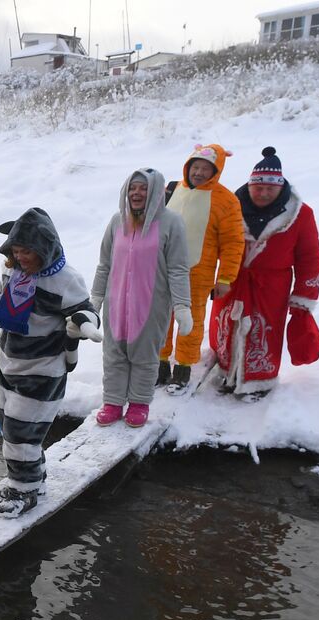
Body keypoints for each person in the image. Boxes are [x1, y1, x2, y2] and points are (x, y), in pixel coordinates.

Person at [0, 208, 100, 518]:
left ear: (44, 247)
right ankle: (33, 478)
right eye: (16, 249)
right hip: (10, 362)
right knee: (9, 426)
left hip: (42, 369)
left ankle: (23, 491)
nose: (21, 256)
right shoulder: (12, 270)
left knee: (20, 433)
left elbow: (84, 310)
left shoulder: (65, 280)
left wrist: (85, 325)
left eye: (28, 250)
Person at [209, 147, 319, 399]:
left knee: (264, 333)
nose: (262, 193)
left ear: (280, 187)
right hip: (230, 280)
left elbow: (310, 258)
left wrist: (303, 297)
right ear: (249, 185)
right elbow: (207, 243)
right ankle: (225, 374)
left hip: (272, 287)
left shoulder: (300, 214)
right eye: (257, 187)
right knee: (225, 327)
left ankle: (258, 383)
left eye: (269, 189)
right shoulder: (229, 206)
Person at [90, 168, 193, 427]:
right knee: (113, 355)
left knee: (145, 357)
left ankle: (138, 403)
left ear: (156, 191)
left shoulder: (171, 223)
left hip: (151, 304)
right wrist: (96, 299)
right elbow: (104, 264)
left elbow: (178, 268)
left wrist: (182, 305)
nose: (137, 193)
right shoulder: (117, 222)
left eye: (143, 188)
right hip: (116, 304)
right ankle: (112, 402)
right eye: (133, 188)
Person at [159, 143, 245, 394]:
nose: (198, 172)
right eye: (195, 167)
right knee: (161, 317)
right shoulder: (172, 190)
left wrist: (226, 277)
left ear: (216, 171)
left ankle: (183, 367)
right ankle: (160, 363)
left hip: (198, 270)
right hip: (162, 269)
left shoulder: (226, 200)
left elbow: (233, 241)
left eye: (205, 169)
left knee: (191, 319)